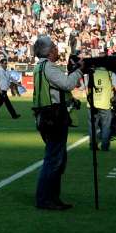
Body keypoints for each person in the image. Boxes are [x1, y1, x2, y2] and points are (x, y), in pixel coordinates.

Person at [31, 36, 82, 210]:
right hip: (54, 117)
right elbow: (67, 84)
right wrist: (79, 71)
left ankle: (51, 197)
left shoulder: (39, 67)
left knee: (55, 158)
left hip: (45, 117)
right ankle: (46, 199)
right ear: (49, 51)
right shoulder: (49, 67)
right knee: (54, 159)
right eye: (54, 47)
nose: (57, 49)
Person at [86, 55, 116, 151]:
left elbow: (81, 87)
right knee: (106, 126)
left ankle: (92, 144)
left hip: (92, 104)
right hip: (105, 104)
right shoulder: (110, 74)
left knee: (92, 126)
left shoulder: (91, 74)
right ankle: (105, 145)